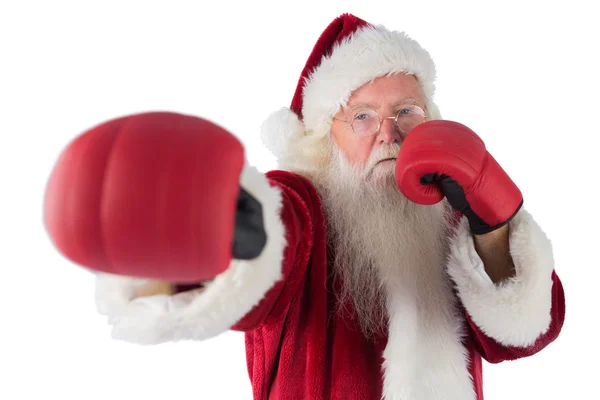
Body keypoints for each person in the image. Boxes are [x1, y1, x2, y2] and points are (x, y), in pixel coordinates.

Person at [47, 13, 565, 400]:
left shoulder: (454, 214)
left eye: (407, 111)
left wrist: (494, 224)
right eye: (362, 116)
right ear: (323, 136)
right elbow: (268, 247)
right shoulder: (302, 203)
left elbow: (520, 338)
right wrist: (209, 220)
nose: (389, 133)